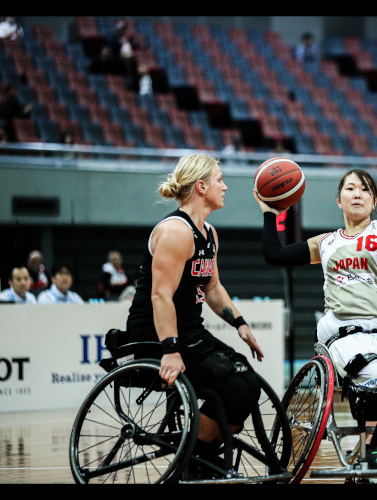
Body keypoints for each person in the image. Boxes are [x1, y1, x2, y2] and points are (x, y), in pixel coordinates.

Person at [255, 163, 377, 471]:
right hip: (344, 330)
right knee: (375, 390)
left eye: (365, 189)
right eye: (350, 188)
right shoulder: (325, 243)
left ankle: (376, 451)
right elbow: (275, 255)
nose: (358, 194)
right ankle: (374, 452)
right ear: (339, 200)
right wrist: (270, 212)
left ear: (375, 202)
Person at [124, 153, 266, 479]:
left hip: (191, 330)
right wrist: (170, 350)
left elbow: (213, 288)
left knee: (249, 384)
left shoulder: (209, 234)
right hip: (156, 332)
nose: (226, 186)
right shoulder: (176, 232)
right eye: (220, 179)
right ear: (201, 187)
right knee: (231, 388)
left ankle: (201, 450)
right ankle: (196, 455)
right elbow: (160, 295)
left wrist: (240, 324)